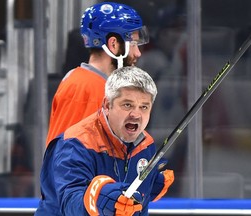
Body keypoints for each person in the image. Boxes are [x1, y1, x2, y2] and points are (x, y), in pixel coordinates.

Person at [35, 66, 174, 215]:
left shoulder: (146, 144)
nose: (136, 114)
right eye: (127, 105)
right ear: (107, 105)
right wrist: (99, 197)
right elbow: (70, 203)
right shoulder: (75, 144)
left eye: (144, 107)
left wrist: (147, 187)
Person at [46, 2, 149, 146]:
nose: (137, 53)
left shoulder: (94, 84)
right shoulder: (85, 87)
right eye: (133, 44)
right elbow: (66, 158)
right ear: (113, 44)